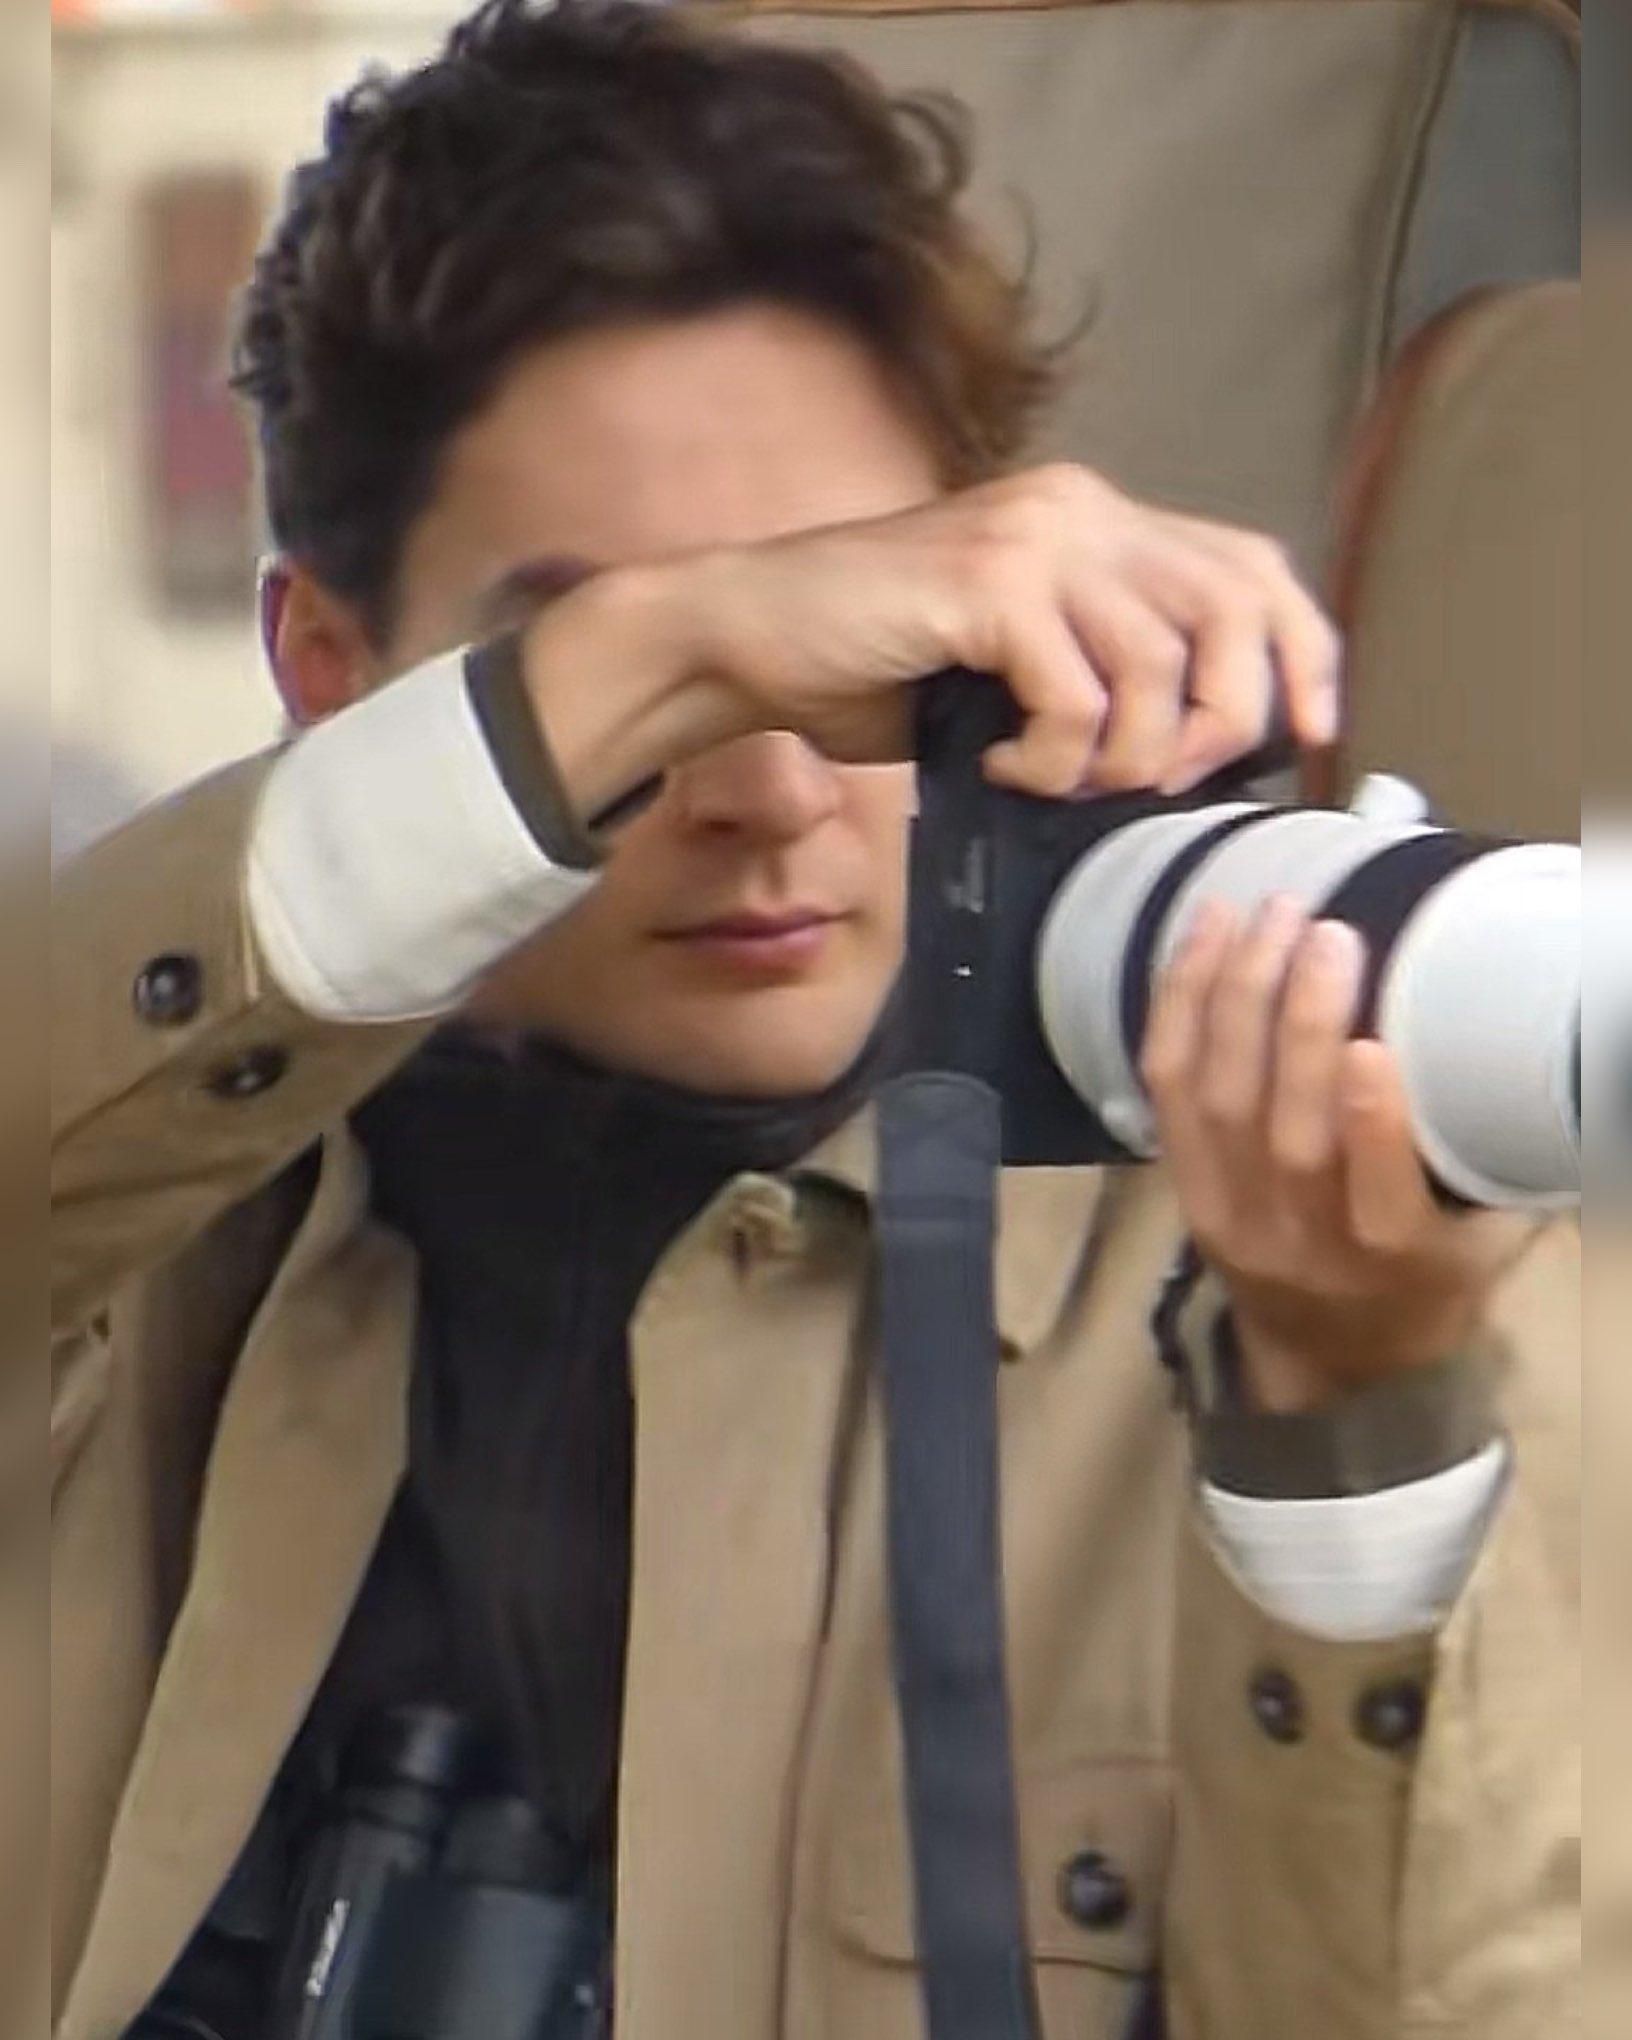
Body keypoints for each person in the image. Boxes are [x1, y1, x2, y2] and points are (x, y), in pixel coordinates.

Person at [44, 5, 1579, 2038]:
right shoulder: (149, 1234)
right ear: (331, 672)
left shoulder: (1329, 1271)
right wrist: (694, 644)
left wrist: (1357, 1449)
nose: (767, 781)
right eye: (621, 653)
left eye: (871, 645)